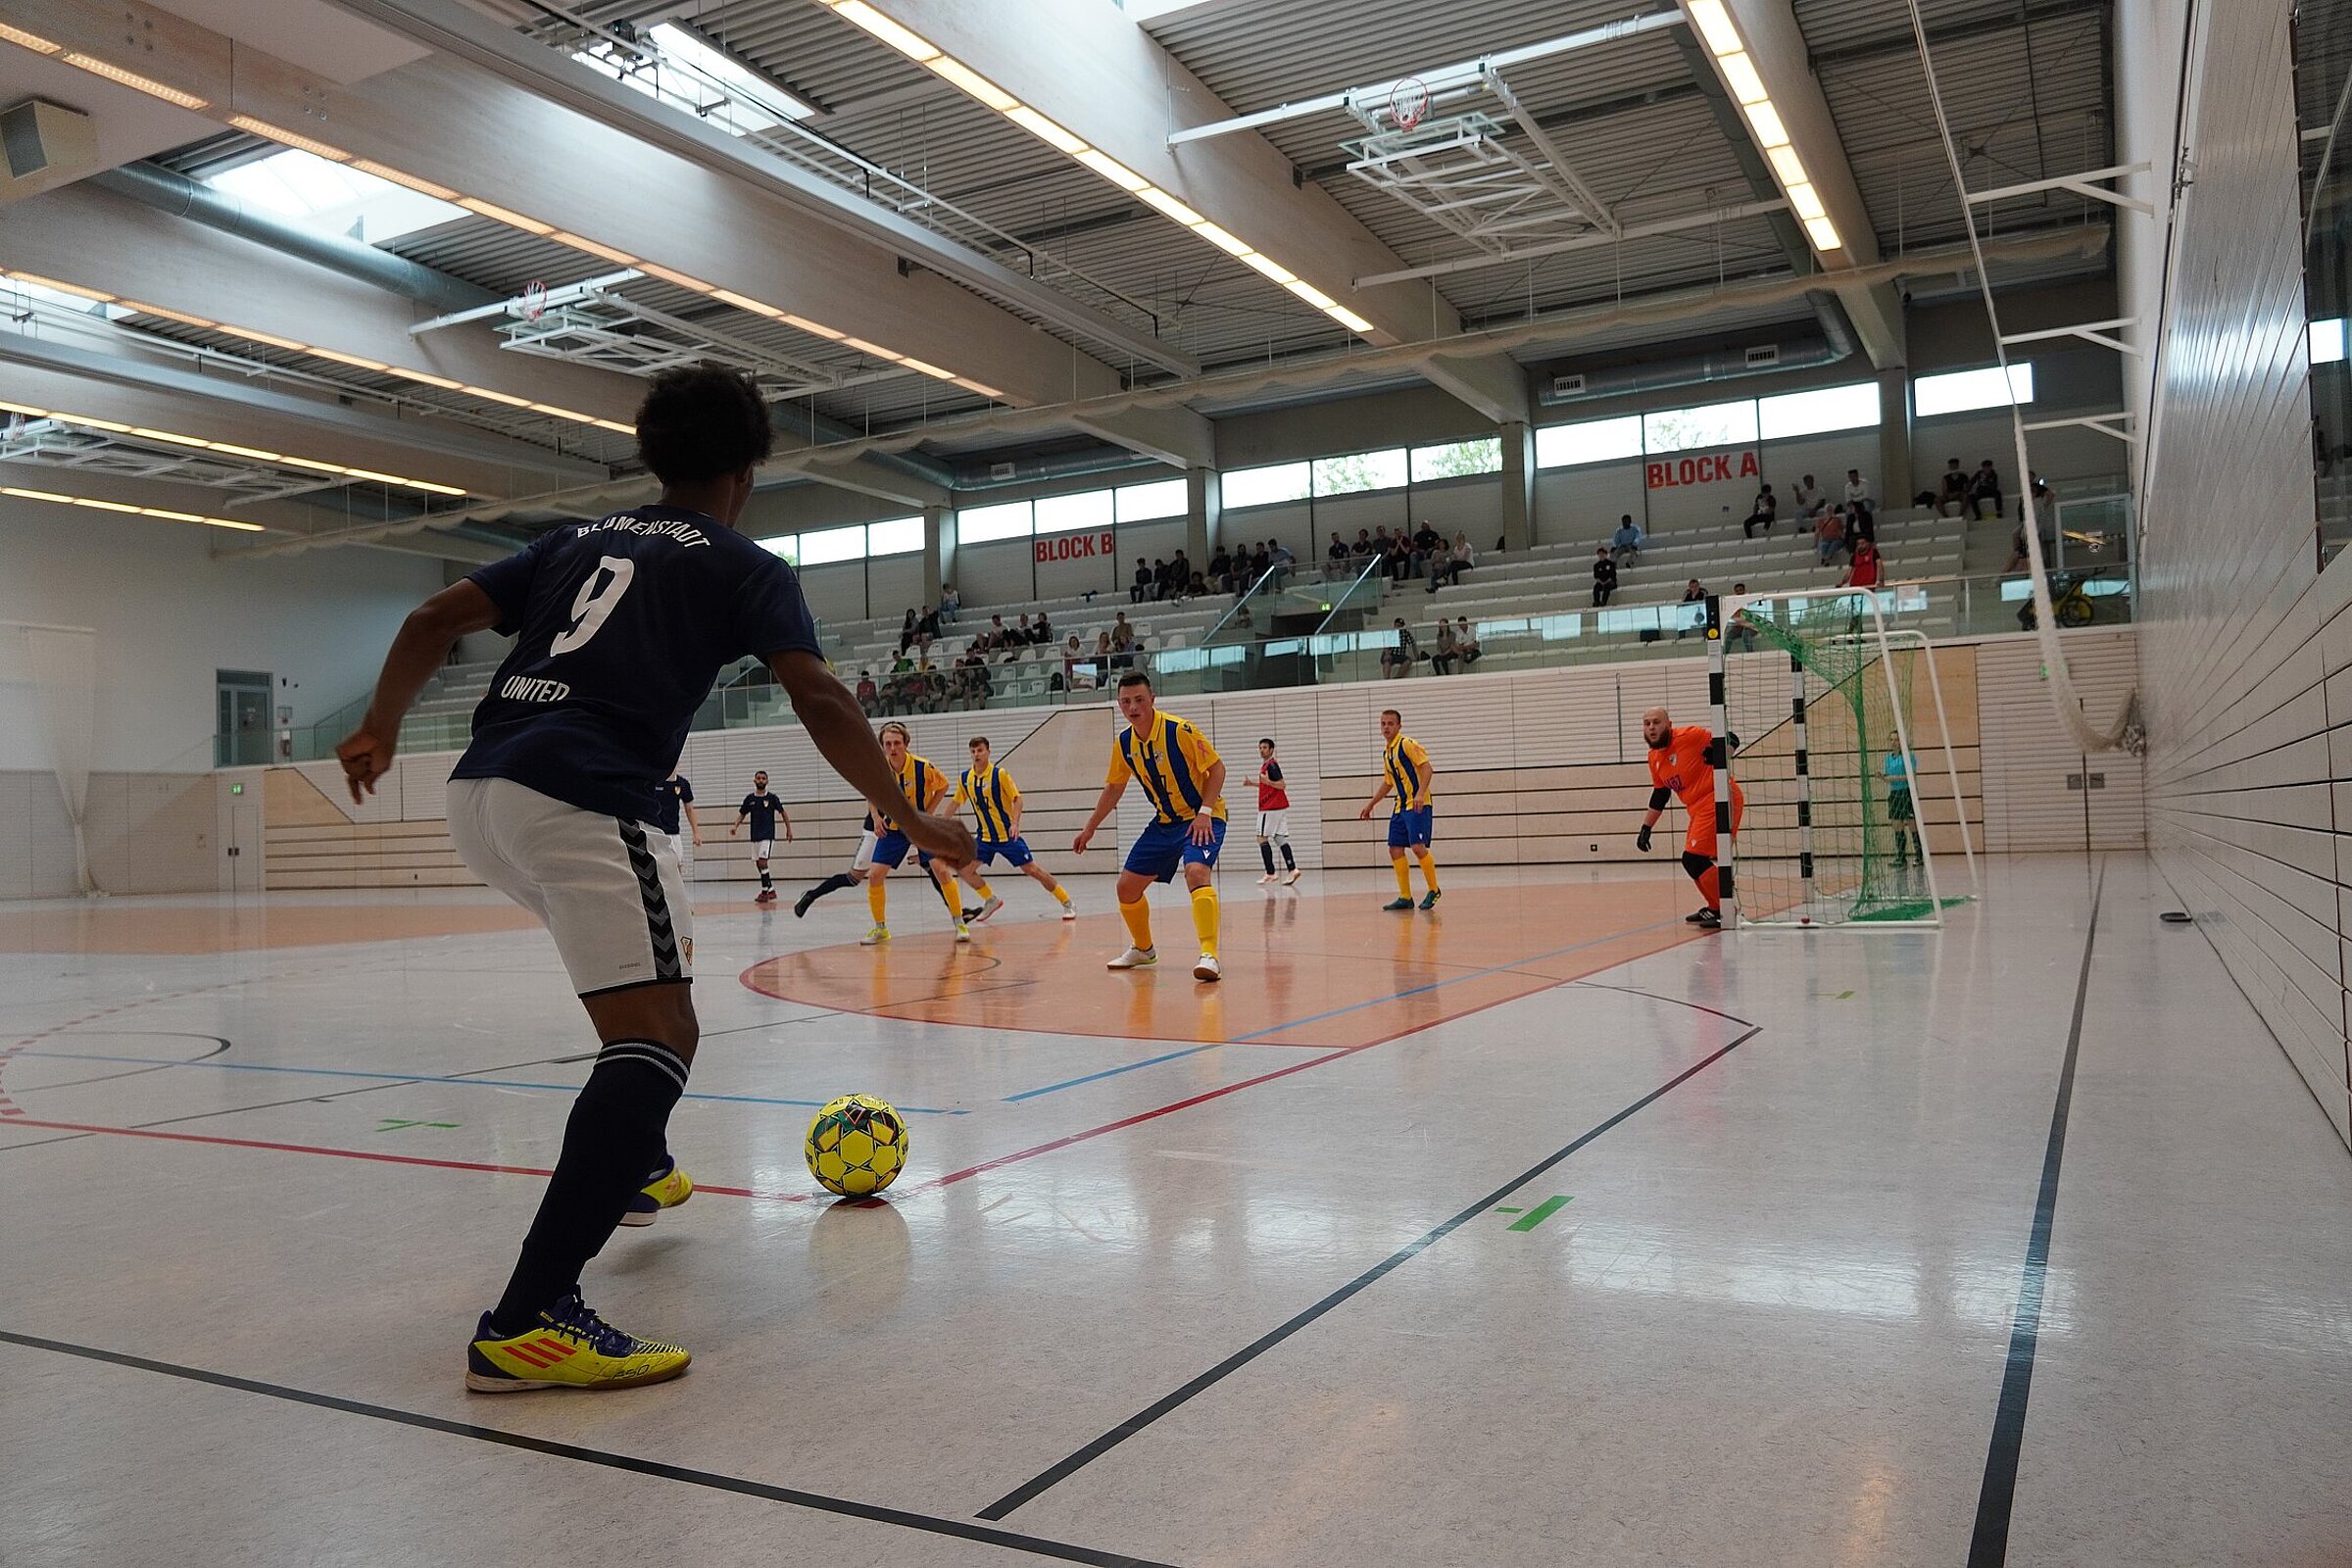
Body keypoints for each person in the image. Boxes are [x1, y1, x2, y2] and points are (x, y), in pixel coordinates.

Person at [333, 361, 967, 1394]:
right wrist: (912, 819)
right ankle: (529, 1319)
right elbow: (818, 696)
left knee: (644, 1002)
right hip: (586, 791)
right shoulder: (745, 564)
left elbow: (428, 622)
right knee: (661, 1035)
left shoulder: (572, 540)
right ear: (747, 472)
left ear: (655, 456)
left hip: (482, 791)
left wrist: (378, 725)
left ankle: (637, 1163)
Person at [1072, 670, 1227, 980]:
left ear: (1152, 699)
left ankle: (1209, 955)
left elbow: (1217, 769)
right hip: (1165, 823)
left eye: (1139, 700)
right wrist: (1090, 828)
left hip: (1202, 818)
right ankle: (1144, 949)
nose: (1133, 707)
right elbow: (1114, 788)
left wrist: (1205, 812)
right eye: (1126, 701)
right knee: (1126, 888)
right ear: (1119, 704)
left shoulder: (1179, 730)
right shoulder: (1124, 743)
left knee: (1196, 873)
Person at [859, 721, 971, 945]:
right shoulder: (879, 768)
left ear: (906, 744)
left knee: (941, 870)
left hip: (921, 827)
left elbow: (943, 785)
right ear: (882, 746)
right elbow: (871, 791)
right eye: (888, 744)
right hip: (893, 828)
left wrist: (928, 813)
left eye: (897, 743)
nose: (893, 748)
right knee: (874, 876)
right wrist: (875, 816)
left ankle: (959, 922)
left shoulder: (923, 766)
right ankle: (880, 929)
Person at [1634, 705, 1743, 929]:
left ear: (1669, 724)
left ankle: (1727, 909)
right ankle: (1716, 907)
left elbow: (1732, 738)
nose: (1651, 727)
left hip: (1719, 797)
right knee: (1691, 861)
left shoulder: (1689, 736)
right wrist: (1646, 828)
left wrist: (1723, 753)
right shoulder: (1654, 757)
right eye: (1647, 724)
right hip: (1697, 808)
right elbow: (1660, 794)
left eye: (1656, 722)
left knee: (1693, 858)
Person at [950, 735, 1075, 921]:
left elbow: (1017, 799)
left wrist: (1015, 823)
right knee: (964, 870)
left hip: (1007, 836)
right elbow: (955, 802)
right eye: (973, 751)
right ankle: (991, 900)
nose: (976, 755)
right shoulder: (965, 778)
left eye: (980, 750)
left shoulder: (999, 775)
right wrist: (937, 823)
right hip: (984, 838)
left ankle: (1067, 902)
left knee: (1033, 870)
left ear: (988, 752)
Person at [1358, 709, 1440, 911]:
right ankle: (1405, 897)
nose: (1386, 727)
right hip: (1400, 806)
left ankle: (1434, 889)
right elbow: (1388, 783)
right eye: (1383, 724)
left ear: (1399, 726)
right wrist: (1371, 804)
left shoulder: (1407, 744)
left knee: (1418, 847)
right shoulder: (1387, 753)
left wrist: (1420, 793)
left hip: (1418, 804)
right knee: (1394, 848)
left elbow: (1427, 768)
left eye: (1390, 723)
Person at [794, 810, 877, 918]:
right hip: (874, 832)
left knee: (879, 874)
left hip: (895, 833)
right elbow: (872, 801)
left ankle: (880, 922)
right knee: (852, 879)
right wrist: (876, 817)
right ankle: (811, 895)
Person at [729, 769, 791, 904]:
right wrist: (735, 826)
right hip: (755, 835)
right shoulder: (750, 799)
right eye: (758, 778)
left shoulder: (772, 798)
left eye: (763, 778)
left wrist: (788, 829)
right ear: (754, 781)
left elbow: (783, 812)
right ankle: (771, 889)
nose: (761, 780)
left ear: (767, 781)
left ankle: (764, 892)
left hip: (767, 835)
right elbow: (742, 813)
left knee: (763, 862)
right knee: (759, 864)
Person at [1248, 737, 1299, 885]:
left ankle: (1270, 872)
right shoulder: (1267, 766)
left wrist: (1268, 782)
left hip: (1270, 807)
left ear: (1271, 750)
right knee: (1279, 838)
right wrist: (1253, 784)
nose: (1262, 750)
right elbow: (1268, 786)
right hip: (1278, 807)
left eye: (1265, 747)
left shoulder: (1271, 765)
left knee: (1261, 837)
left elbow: (1282, 785)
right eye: (1260, 748)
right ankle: (1292, 869)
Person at [654, 767, 699, 888]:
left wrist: (696, 832)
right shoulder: (654, 781)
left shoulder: (682, 783)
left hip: (673, 832)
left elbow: (690, 809)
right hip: (656, 831)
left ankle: (678, 891)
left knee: (678, 862)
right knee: (658, 864)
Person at [1886, 749, 1919, 868]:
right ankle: (1901, 857)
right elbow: (1888, 777)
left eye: (1896, 740)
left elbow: (1911, 776)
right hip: (1894, 793)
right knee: (1896, 824)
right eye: (1892, 740)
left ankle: (1919, 856)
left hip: (1906, 792)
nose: (1894, 742)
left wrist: (1894, 778)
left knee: (1912, 824)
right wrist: (1883, 777)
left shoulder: (1908, 756)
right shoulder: (1888, 758)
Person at [1726, 583, 1758, 653]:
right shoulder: (1733, 603)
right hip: (1739, 627)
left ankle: (1750, 653)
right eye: (1737, 591)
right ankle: (1724, 653)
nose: (1739, 592)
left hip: (1751, 626)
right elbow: (1733, 617)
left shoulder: (1750, 600)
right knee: (1729, 636)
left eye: (1740, 590)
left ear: (1744, 590)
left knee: (1746, 634)